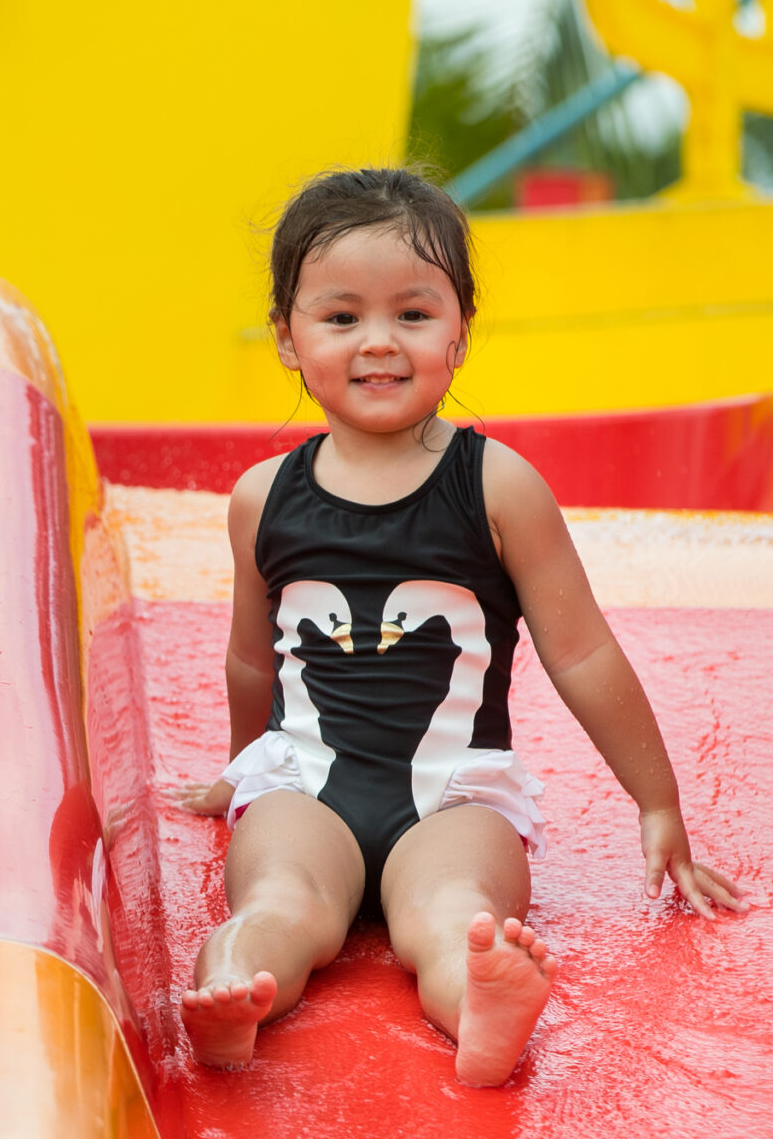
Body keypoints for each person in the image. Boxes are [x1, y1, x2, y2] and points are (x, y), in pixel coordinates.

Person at [172, 167, 741, 1084]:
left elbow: (583, 649)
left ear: (460, 334)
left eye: (414, 313)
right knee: (279, 898)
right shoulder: (261, 499)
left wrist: (658, 800)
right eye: (342, 316)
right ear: (287, 337)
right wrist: (241, 776)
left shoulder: (497, 486)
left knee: (454, 911)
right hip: (305, 787)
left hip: (453, 796)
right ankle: (235, 993)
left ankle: (482, 1009)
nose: (380, 342)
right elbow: (252, 658)